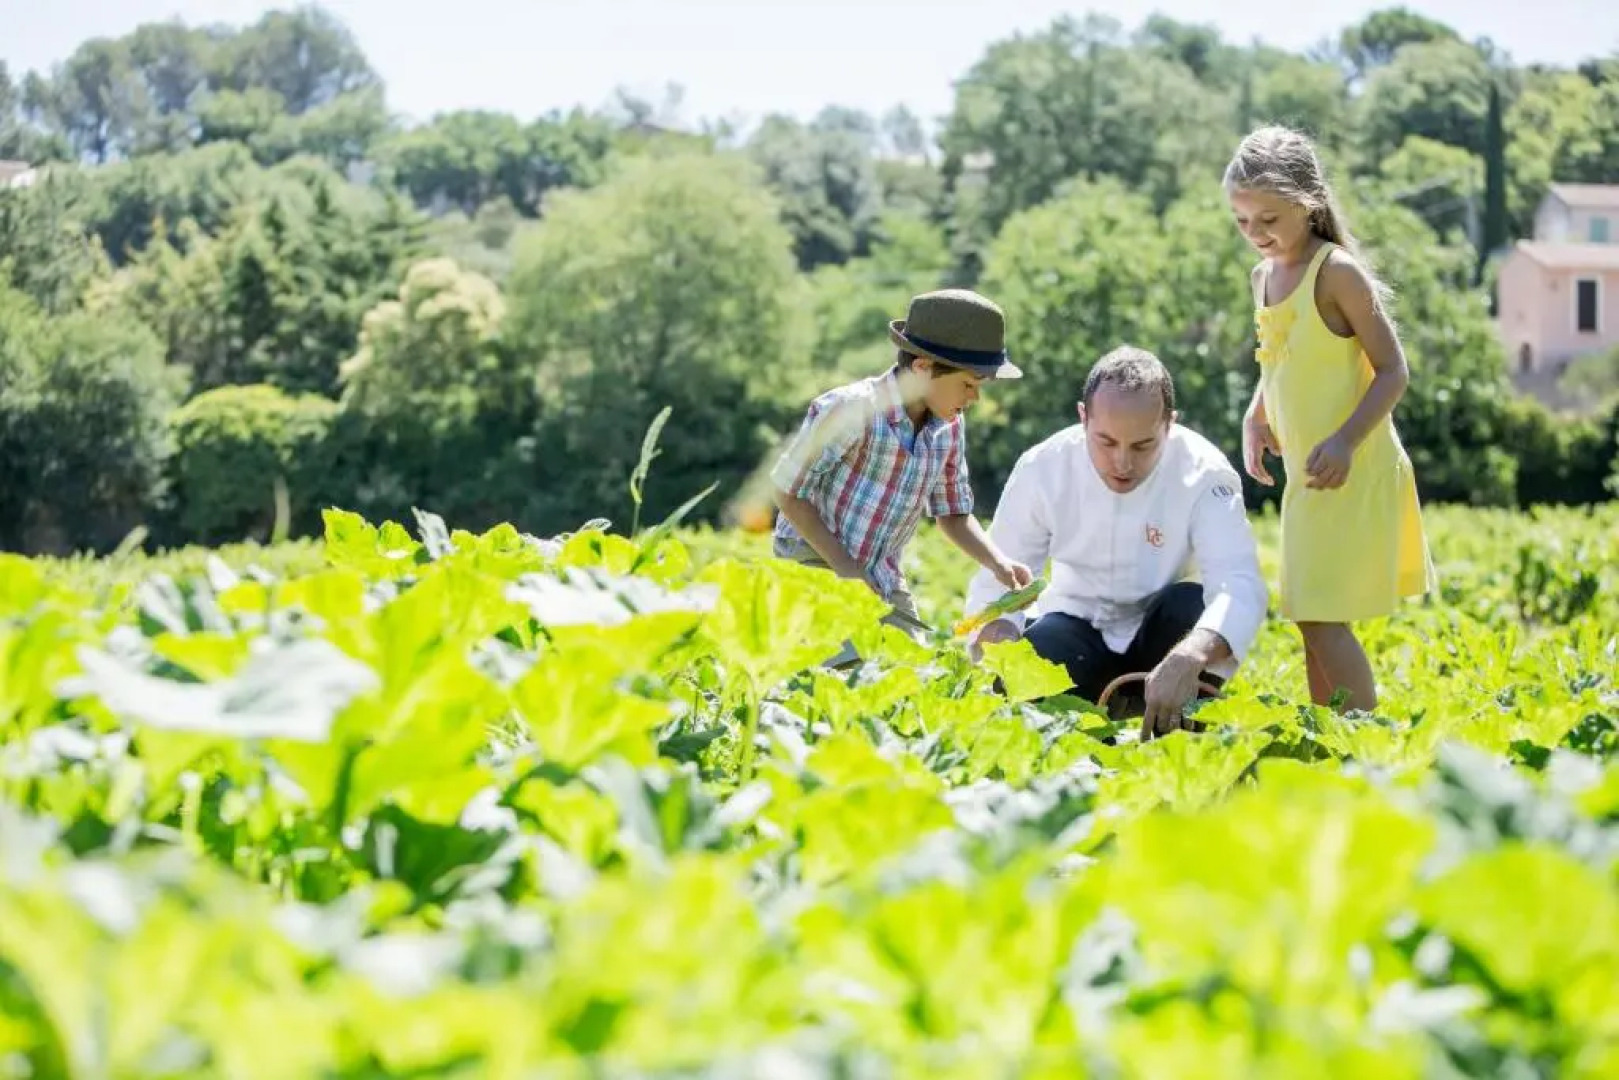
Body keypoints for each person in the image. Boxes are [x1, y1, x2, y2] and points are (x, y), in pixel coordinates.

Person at [1225, 124, 1437, 713]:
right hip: (1307, 471)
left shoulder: (1336, 272)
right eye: (1243, 222)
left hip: (1352, 465)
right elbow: (1278, 360)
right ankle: (1332, 736)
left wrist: (1345, 441)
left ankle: (1361, 741)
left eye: (1269, 219)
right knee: (1306, 616)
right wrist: (1256, 414)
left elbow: (1394, 371)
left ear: (1308, 203)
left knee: (1319, 616)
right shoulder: (1263, 278)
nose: (1256, 235)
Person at [965, 346, 1268, 739]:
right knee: (1038, 652)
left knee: (1190, 608)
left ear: (1169, 425)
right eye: (1105, 442)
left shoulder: (1206, 473)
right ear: (1082, 417)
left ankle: (1181, 738)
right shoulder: (1043, 467)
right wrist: (1002, 640)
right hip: (1073, 627)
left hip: (1164, 639)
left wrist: (1192, 655)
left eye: (1143, 446)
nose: (1122, 463)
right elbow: (999, 580)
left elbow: (1238, 582)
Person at [770, 288, 1033, 666]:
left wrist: (998, 563)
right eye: (969, 385)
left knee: (909, 677)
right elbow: (787, 491)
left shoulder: (949, 426)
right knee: (842, 668)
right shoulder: (850, 410)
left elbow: (953, 514)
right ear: (923, 368)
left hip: (880, 575)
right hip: (815, 560)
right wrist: (845, 569)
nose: (974, 399)